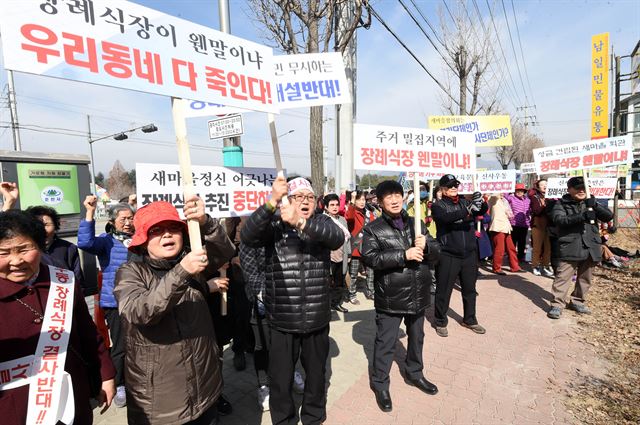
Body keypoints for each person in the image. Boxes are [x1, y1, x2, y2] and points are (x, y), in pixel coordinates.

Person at [114, 198, 235, 424]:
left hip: (206, 390)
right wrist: (182, 272)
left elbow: (225, 250)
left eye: (173, 228)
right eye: (156, 230)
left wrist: (205, 221)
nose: (167, 235)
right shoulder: (130, 272)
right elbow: (140, 311)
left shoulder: (192, 260)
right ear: (143, 239)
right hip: (162, 403)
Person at [240, 176, 343, 425]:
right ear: (288, 199)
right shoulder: (273, 224)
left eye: (309, 197)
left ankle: (313, 415)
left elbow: (337, 238)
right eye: (298, 197)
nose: (305, 201)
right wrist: (272, 202)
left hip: (317, 317)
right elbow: (247, 235)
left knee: (317, 375)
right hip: (282, 318)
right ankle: (284, 419)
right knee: (280, 377)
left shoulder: (321, 222)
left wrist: (301, 222)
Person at [0, 210, 116, 424]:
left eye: (24, 249)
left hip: (71, 399)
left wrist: (105, 374)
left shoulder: (63, 281)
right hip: (15, 408)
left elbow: (88, 333)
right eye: (4, 253)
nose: (16, 260)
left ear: (40, 245)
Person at [361, 181, 440, 413]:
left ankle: (415, 373)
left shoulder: (416, 224)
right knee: (385, 343)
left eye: (398, 195)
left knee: (417, 338)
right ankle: (380, 384)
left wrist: (427, 246)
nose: (394, 200)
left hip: (418, 293)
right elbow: (370, 258)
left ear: (404, 197)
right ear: (380, 201)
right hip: (391, 297)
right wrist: (403, 255)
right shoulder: (373, 229)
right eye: (389, 197)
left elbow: (437, 253)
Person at [77, 195, 134, 407]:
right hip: (115, 302)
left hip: (139, 300)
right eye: (123, 219)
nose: (128, 223)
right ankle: (120, 385)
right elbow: (85, 242)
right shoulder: (106, 240)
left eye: (131, 218)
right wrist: (90, 213)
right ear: (112, 222)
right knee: (120, 345)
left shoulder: (139, 238)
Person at [547, 177, 613, 319]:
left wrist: (595, 206)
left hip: (591, 245)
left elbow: (608, 216)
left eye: (584, 187)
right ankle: (557, 305)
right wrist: (581, 216)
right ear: (569, 189)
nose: (581, 191)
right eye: (577, 188)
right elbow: (559, 220)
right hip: (570, 245)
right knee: (563, 277)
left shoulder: (592, 201)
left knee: (585, 277)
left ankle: (578, 301)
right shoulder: (561, 203)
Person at [431, 174, 488, 337]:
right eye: (450, 186)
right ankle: (440, 321)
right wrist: (467, 210)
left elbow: (480, 211)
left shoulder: (465, 202)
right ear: (442, 189)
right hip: (448, 254)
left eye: (456, 184)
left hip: (469, 254)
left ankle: (470, 319)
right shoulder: (438, 206)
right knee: (444, 290)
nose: (454, 187)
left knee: (470, 290)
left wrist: (480, 202)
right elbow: (446, 218)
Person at [25, 205, 88, 292]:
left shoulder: (69, 248)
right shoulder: (23, 251)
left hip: (63, 299)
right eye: (36, 225)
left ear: (56, 226)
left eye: (46, 224)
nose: (42, 229)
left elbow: (78, 280)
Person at [345, 190, 376, 303]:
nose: (362, 202)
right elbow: (349, 218)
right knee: (353, 274)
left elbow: (374, 227)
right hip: (356, 247)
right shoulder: (352, 211)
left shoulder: (369, 213)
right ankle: (352, 294)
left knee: (370, 272)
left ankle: (370, 292)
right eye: (359, 199)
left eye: (363, 199)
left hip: (368, 247)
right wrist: (352, 202)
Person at [324, 193, 352, 313]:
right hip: (328, 257)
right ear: (326, 207)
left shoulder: (342, 220)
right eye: (331, 205)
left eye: (336, 204)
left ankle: (336, 303)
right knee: (326, 283)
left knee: (339, 282)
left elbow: (348, 239)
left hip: (342, 255)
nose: (335, 207)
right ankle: (325, 306)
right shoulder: (322, 220)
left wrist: (349, 254)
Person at [488, 193, 521, 275]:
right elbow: (493, 196)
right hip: (497, 227)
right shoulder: (492, 198)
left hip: (506, 227)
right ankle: (497, 268)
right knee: (500, 249)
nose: (503, 192)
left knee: (511, 248)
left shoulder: (504, 200)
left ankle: (515, 267)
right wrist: (497, 192)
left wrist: (509, 213)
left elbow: (508, 211)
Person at [529, 179, 554, 277]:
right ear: (538, 187)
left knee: (548, 247)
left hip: (549, 225)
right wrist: (544, 205)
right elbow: (536, 211)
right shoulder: (535, 197)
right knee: (537, 247)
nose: (544, 186)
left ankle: (546, 266)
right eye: (542, 185)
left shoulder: (552, 197)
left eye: (546, 184)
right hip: (538, 225)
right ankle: (535, 265)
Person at [505, 183, 531, 262]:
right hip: (514, 224)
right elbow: (505, 196)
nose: (519, 192)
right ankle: (511, 257)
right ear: (514, 191)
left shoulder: (528, 200)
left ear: (524, 192)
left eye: (521, 191)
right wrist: (508, 188)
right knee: (513, 242)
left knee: (522, 242)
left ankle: (520, 257)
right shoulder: (511, 198)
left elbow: (530, 210)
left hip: (525, 224)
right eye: (517, 190)